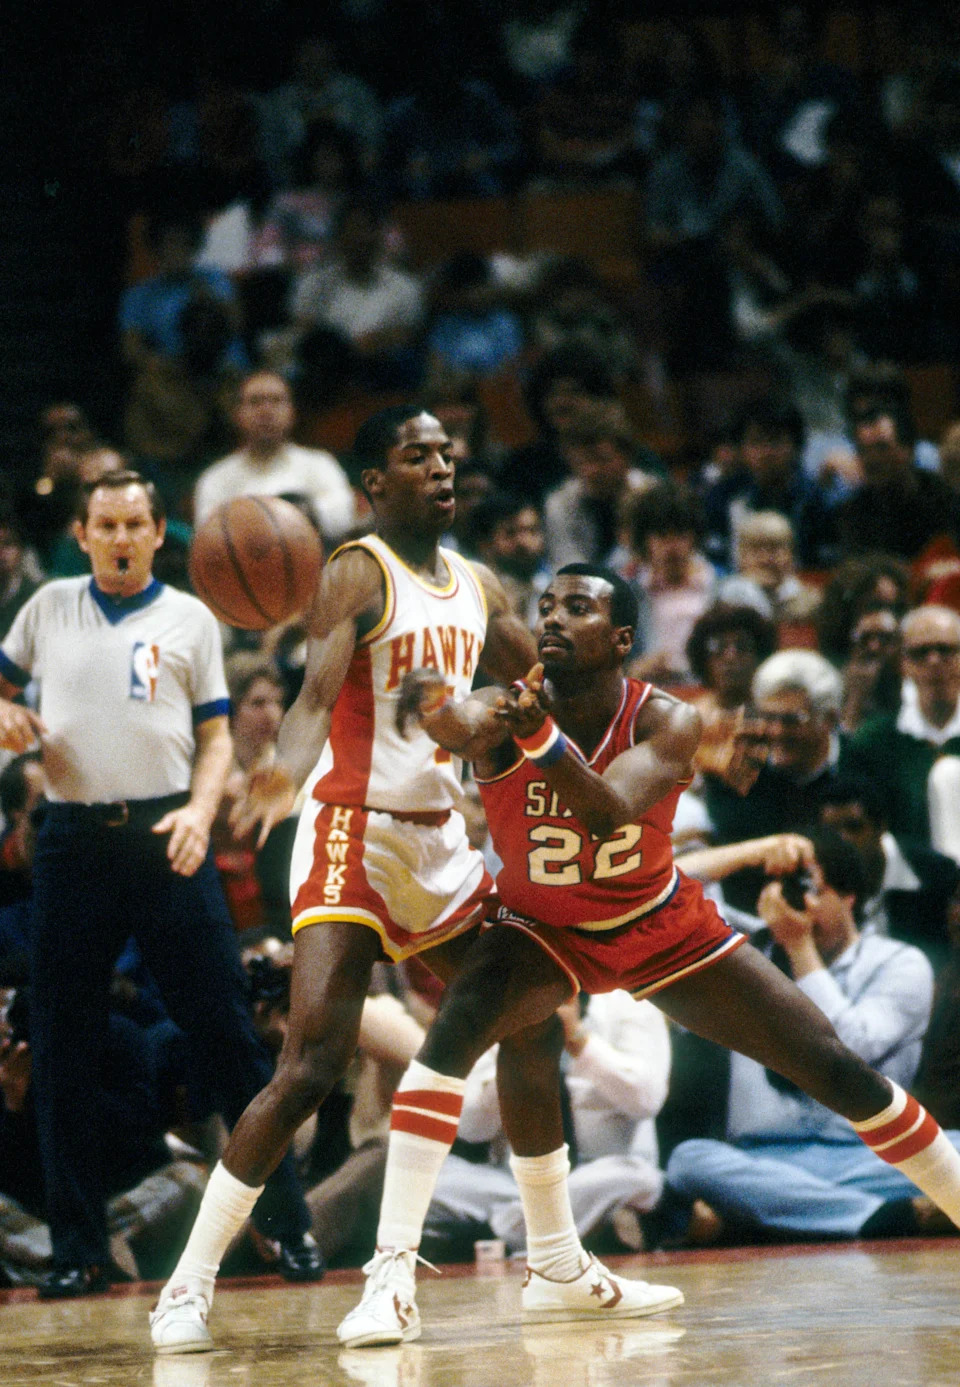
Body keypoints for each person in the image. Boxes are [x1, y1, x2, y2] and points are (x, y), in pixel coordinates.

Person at [337, 563, 960, 1346]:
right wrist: (439, 708)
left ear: (623, 638)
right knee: (450, 1039)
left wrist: (534, 733)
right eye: (547, 605)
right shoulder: (503, 709)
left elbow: (605, 810)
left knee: (833, 1065)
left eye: (579, 606)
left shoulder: (668, 719)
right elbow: (454, 721)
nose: (555, 616)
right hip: (544, 927)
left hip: (656, 921)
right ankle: (391, 1274)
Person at [152, 403, 635, 1354]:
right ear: (376, 485)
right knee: (311, 1063)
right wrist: (286, 769)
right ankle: (186, 1286)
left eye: (448, 455)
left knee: (531, 1018)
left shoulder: (478, 582)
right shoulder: (355, 569)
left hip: (438, 843)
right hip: (351, 835)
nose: (443, 469)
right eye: (418, 457)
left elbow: (541, 673)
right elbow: (315, 695)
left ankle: (557, 1261)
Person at [0, 470, 320, 1297]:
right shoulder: (45, 608)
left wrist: (200, 811)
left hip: (168, 836)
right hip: (71, 838)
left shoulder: (189, 615)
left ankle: (288, 1225)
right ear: (81, 532)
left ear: (156, 530)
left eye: (134, 523)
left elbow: (216, 739)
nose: (119, 537)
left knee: (228, 1036)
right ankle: (78, 1248)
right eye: (104, 523)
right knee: (60, 1045)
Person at [664, 829, 946, 1245]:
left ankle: (797, 1211)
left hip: (874, 1156)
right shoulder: (744, 954)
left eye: (812, 888)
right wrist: (754, 849)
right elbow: (660, 892)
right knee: (689, 1161)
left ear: (849, 898)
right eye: (787, 889)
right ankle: (879, 1216)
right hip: (764, 1158)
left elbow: (848, 1052)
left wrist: (800, 949)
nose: (799, 903)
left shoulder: (900, 962)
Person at [841, 605, 960, 850]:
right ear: (904, 663)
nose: (934, 661)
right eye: (920, 652)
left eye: (946, 650)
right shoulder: (873, 740)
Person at [192, 369, 356, 544]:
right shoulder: (216, 477)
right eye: (255, 402)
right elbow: (207, 535)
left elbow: (343, 517)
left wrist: (255, 522)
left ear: (292, 412)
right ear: (237, 414)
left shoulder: (320, 464)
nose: (266, 411)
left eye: (276, 401)